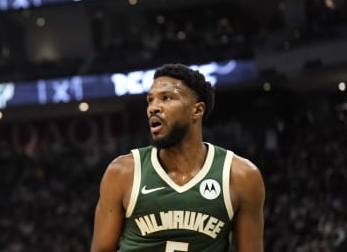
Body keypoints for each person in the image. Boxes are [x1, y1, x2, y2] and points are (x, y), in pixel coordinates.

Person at [90, 64, 265, 252]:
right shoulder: (122, 172)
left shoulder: (242, 177)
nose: (153, 108)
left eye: (166, 98)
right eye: (150, 100)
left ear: (197, 110)